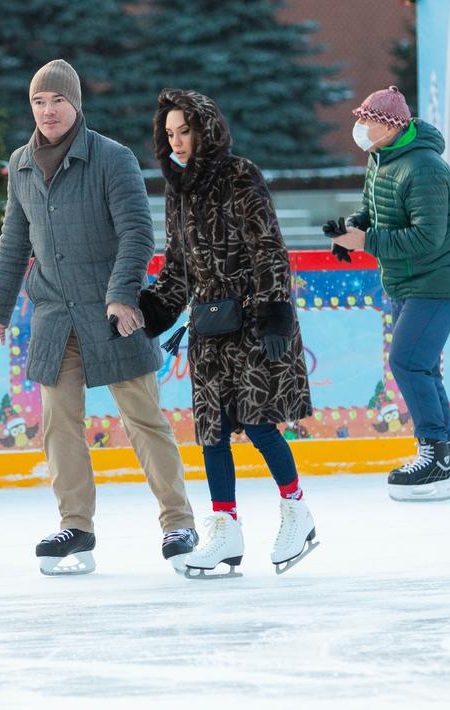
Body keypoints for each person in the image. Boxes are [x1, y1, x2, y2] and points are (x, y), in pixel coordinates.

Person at [0, 60, 197, 576]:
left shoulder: (111, 159)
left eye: (57, 101)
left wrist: (122, 296)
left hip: (112, 312)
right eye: (38, 102)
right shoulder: (21, 163)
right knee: (58, 424)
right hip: (53, 315)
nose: (47, 111)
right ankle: (76, 525)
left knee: (143, 419)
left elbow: (137, 233)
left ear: (75, 105)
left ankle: (178, 522)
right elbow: (13, 243)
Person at [139, 90, 316, 578]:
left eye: (184, 131)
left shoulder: (241, 175)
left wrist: (276, 310)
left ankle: (297, 512)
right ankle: (226, 530)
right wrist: (150, 311)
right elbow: (177, 267)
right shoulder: (177, 188)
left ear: (205, 129)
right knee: (212, 432)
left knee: (258, 424)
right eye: (169, 134)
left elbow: (268, 247)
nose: (176, 142)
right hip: (210, 326)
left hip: (255, 319)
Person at [330, 86, 450, 502]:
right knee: (423, 365)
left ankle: (433, 451)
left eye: (367, 120)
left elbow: (427, 239)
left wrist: (368, 241)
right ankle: (443, 456)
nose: (360, 128)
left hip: (437, 280)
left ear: (391, 126)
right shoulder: (380, 160)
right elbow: (370, 210)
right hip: (406, 280)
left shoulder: (425, 168)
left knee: (407, 360)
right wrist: (350, 230)